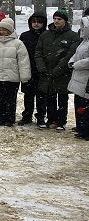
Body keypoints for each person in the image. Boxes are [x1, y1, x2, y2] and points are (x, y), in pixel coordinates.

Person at [35, 9, 81, 130]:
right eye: (55, 18)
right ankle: (51, 119)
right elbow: (38, 52)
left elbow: (70, 55)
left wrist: (59, 68)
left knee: (62, 98)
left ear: (65, 21)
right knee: (49, 97)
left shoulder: (72, 36)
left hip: (62, 74)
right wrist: (42, 67)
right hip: (46, 73)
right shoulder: (45, 35)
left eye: (59, 19)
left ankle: (61, 121)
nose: (56, 21)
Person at [0, 17, 31, 127]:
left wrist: (24, 76)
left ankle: (10, 119)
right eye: (1, 30)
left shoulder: (18, 44)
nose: (2, 32)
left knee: (11, 99)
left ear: (10, 30)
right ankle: (0, 118)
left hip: (13, 77)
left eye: (5, 29)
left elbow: (23, 61)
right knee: (0, 99)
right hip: (0, 76)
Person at [18, 10, 47, 125]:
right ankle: (27, 115)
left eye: (39, 22)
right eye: (34, 22)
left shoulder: (46, 35)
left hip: (42, 70)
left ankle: (40, 117)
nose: (36, 24)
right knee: (28, 96)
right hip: (27, 68)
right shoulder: (25, 36)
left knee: (41, 96)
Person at [68, 11, 89, 140]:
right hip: (79, 77)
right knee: (79, 103)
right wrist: (71, 61)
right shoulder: (84, 41)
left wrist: (77, 64)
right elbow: (76, 54)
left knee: (85, 106)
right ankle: (81, 127)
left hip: (86, 78)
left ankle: (86, 130)